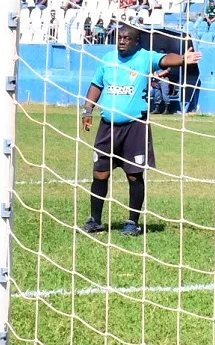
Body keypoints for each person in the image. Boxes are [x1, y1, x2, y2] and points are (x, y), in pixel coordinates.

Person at [80, 24, 199, 236]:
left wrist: (181, 59)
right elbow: (96, 85)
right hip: (107, 127)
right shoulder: (107, 59)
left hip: (135, 126)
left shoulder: (144, 58)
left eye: (127, 38)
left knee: (134, 176)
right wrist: (87, 109)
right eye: (120, 38)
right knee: (100, 173)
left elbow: (164, 59)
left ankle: (132, 222)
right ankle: (95, 220)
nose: (122, 41)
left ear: (136, 42)